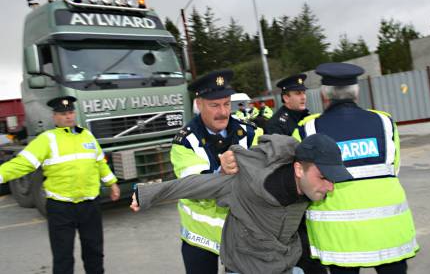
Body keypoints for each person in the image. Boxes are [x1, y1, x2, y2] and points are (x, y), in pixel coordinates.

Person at [131, 133, 352, 274]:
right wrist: (147, 194)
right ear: (298, 169)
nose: (331, 187)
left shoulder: (307, 189)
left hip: (284, 266)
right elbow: (194, 185)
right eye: (324, 177)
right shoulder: (246, 183)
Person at [293, 63, 419, 274]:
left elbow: (303, 180)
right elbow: (393, 168)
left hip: (339, 238)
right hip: (389, 232)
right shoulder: (385, 122)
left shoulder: (308, 129)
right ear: (356, 93)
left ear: (325, 95)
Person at [0, 96, 120, 274]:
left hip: (90, 204)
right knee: (63, 256)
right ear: (54, 116)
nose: (69, 117)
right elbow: (23, 163)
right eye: (63, 114)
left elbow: (99, 162)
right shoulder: (46, 139)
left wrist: (112, 183)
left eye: (71, 112)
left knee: (94, 252)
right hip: (61, 207)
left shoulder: (86, 135)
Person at [166, 69, 263, 274]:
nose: (223, 112)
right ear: (199, 104)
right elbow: (194, 186)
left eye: (227, 104)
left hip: (241, 234)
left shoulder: (250, 132)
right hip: (200, 238)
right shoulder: (185, 142)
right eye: (214, 105)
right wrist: (221, 173)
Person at [265, 74, 324, 273]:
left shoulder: (310, 117)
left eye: (303, 93)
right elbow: (278, 165)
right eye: (297, 93)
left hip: (313, 191)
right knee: (302, 251)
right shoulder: (277, 124)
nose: (303, 97)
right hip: (294, 197)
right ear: (285, 97)